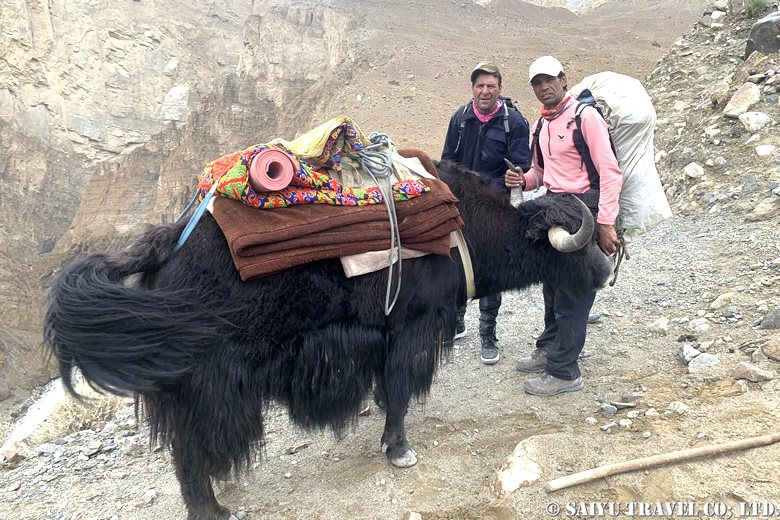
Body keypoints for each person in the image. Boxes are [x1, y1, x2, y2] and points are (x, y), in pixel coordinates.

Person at [505, 56, 622, 396]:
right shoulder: (541, 125)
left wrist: (606, 223)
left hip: (584, 209)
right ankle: (549, 348)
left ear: (563, 79)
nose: (544, 87)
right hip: (554, 208)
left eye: (549, 80)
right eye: (537, 83)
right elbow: (541, 173)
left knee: (573, 291)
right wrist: (523, 179)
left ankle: (565, 371)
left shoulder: (586, 118)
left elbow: (611, 172)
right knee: (552, 286)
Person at [441, 61, 530, 365]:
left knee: (491, 267)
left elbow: (522, 165)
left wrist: (517, 177)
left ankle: (488, 334)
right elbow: (447, 160)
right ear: (473, 89)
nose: (485, 91)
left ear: (500, 89)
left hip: (494, 207)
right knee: (456, 261)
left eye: (491, 85)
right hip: (461, 204)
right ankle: (456, 321)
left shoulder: (514, 122)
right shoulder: (460, 119)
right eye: (480, 85)